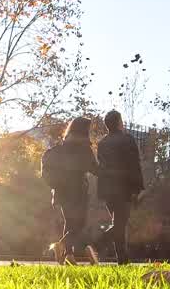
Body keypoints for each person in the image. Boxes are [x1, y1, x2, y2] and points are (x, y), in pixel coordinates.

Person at [41, 117, 98, 264]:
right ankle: (61, 245)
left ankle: (69, 255)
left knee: (70, 223)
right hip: (78, 191)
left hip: (61, 191)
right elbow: (95, 169)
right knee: (79, 224)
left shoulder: (61, 147)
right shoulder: (84, 149)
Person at [96, 110, 145, 265]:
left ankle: (122, 260)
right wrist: (137, 188)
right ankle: (96, 244)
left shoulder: (102, 143)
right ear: (119, 122)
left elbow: (102, 167)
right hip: (124, 187)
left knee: (119, 223)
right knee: (120, 223)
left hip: (108, 189)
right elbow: (134, 164)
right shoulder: (127, 140)